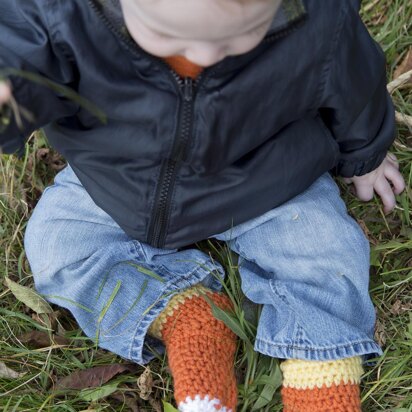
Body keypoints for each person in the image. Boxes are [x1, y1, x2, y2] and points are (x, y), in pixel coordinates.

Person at [0, 0, 406, 410]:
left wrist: (366, 157)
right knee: (57, 245)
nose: (205, 57)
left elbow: (356, 85)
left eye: (241, 36)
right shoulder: (60, 16)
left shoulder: (319, 16)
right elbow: (19, 57)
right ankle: (189, 315)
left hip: (266, 178)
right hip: (119, 185)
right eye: (167, 37)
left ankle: (321, 375)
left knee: (327, 254)